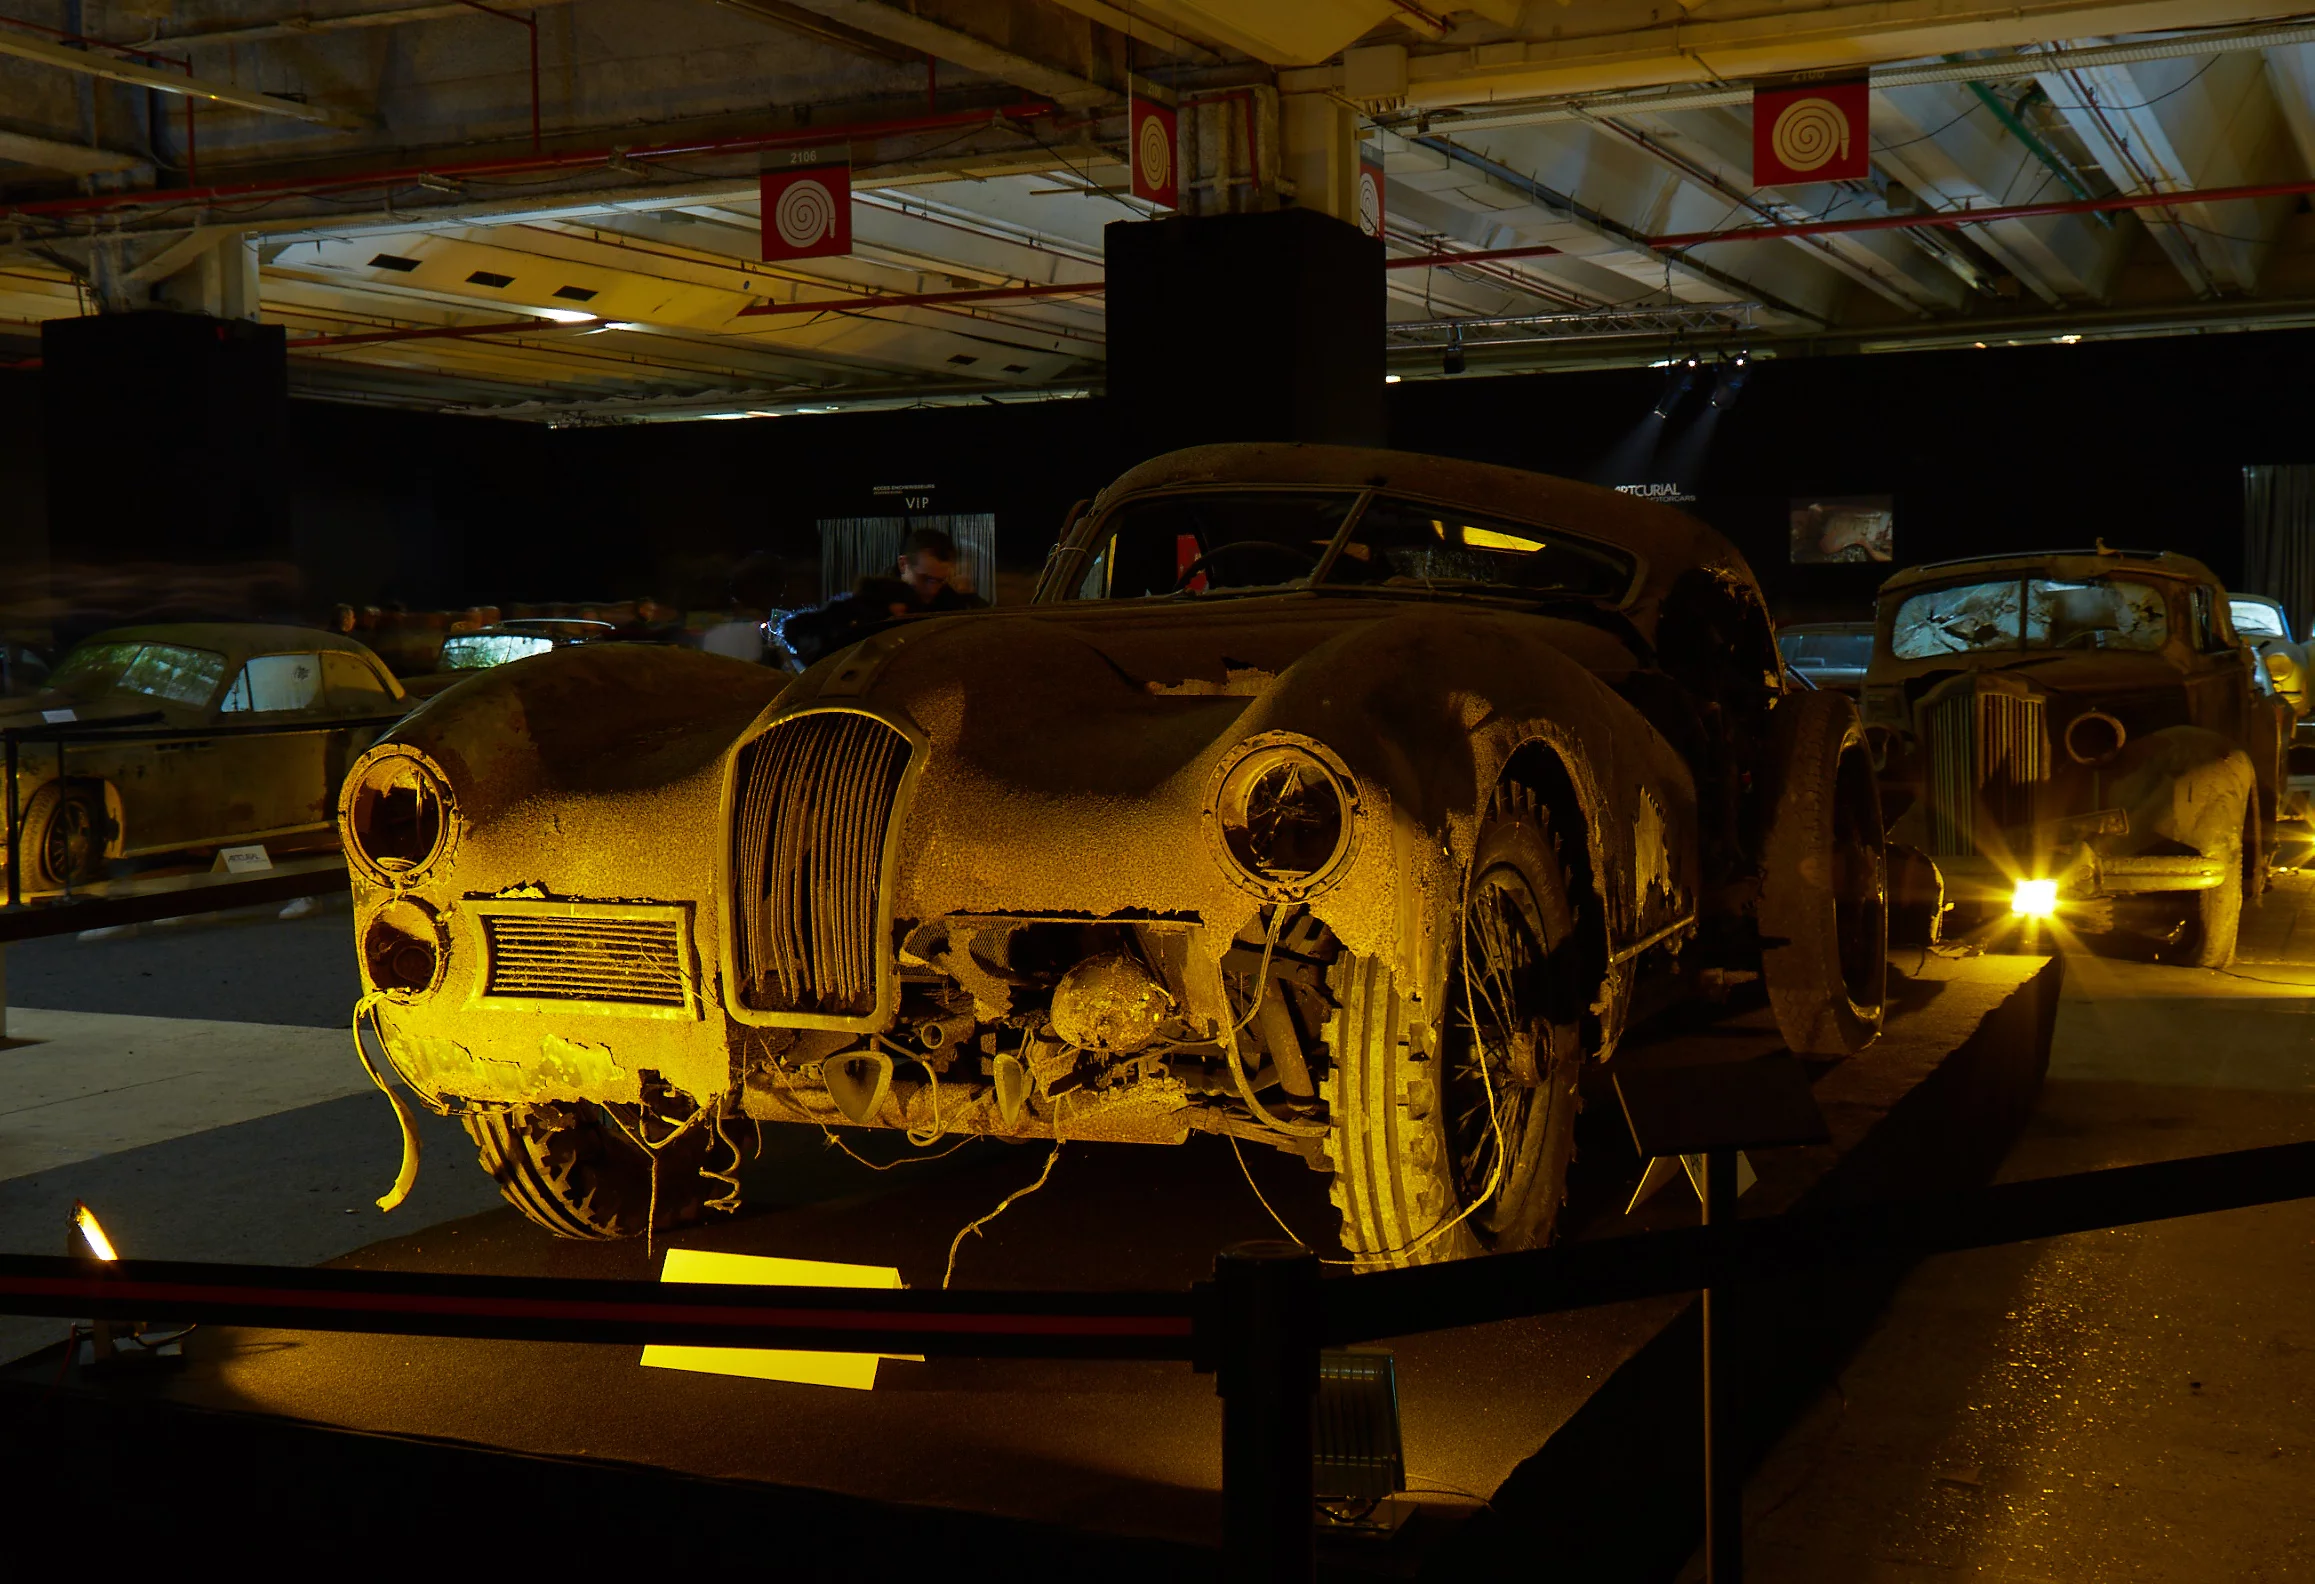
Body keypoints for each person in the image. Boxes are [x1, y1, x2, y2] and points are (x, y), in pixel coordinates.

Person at [781, 527, 987, 666]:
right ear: (903, 565)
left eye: (940, 581)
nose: (932, 590)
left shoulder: (955, 609)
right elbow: (801, 633)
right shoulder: (867, 604)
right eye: (925, 579)